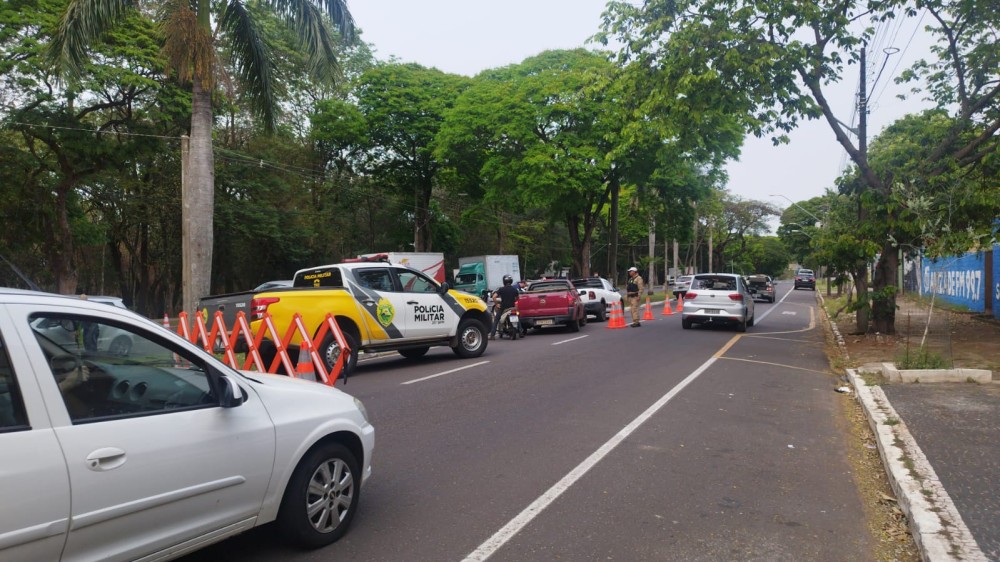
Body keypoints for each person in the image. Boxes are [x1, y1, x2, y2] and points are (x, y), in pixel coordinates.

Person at [489, 275, 520, 340]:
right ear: (511, 281)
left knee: (496, 320)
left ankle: (492, 335)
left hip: (503, 308)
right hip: (512, 308)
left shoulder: (501, 289)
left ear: (504, 282)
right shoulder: (514, 289)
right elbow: (517, 298)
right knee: (517, 317)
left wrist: (497, 304)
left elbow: (494, 297)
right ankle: (521, 332)